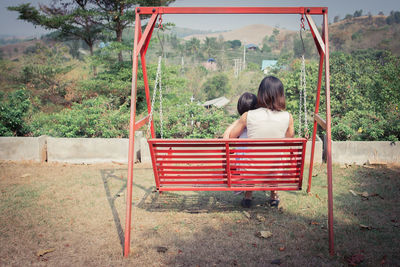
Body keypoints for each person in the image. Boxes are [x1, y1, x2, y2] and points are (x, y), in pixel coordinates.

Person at [228, 76, 295, 208]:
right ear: (280, 95)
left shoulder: (248, 115)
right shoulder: (288, 117)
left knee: (250, 157)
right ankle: (274, 195)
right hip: (274, 170)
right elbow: (289, 142)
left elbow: (231, 138)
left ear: (261, 94)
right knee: (278, 155)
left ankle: (248, 196)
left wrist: (238, 121)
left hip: (250, 170)